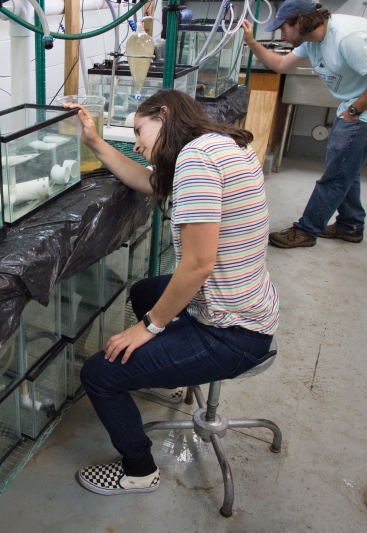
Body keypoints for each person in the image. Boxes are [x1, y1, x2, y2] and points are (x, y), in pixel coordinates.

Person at [63, 90, 279, 495]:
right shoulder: (219, 145)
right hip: (249, 304)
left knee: (100, 374)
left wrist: (149, 327)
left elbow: (198, 265)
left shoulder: (197, 160)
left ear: (164, 114)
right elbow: (145, 180)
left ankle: (139, 470)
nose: (139, 143)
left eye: (140, 131)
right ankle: (172, 371)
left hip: (232, 332)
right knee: (146, 291)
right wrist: (93, 141)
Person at [241, 0, 367, 248]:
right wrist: (251, 42)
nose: (282, 35)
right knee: (345, 166)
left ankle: (307, 230)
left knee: (337, 174)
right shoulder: (312, 40)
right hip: (355, 105)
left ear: (301, 21)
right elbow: (281, 64)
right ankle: (350, 225)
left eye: (284, 28)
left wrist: (354, 110)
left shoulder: (348, 37)